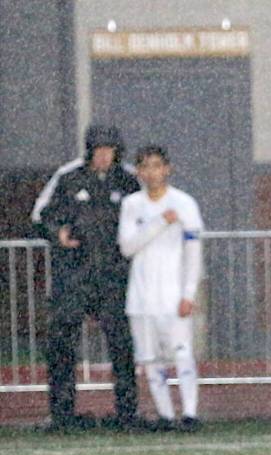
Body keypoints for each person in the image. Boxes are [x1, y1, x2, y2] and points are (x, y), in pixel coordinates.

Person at [31, 124, 141, 431]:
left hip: (114, 277)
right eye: (99, 151)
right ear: (90, 151)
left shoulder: (129, 179)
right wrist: (57, 233)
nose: (104, 157)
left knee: (121, 343)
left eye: (110, 151)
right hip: (73, 275)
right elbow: (40, 215)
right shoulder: (68, 176)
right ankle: (62, 414)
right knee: (62, 343)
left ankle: (126, 413)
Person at [118, 146, 203, 432]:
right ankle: (165, 415)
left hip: (172, 295)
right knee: (150, 359)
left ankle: (189, 413)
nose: (151, 172)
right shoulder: (132, 204)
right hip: (141, 297)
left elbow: (193, 251)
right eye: (145, 166)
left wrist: (188, 293)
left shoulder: (184, 203)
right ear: (138, 172)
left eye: (157, 166)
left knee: (181, 353)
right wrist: (159, 223)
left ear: (167, 169)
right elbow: (127, 246)